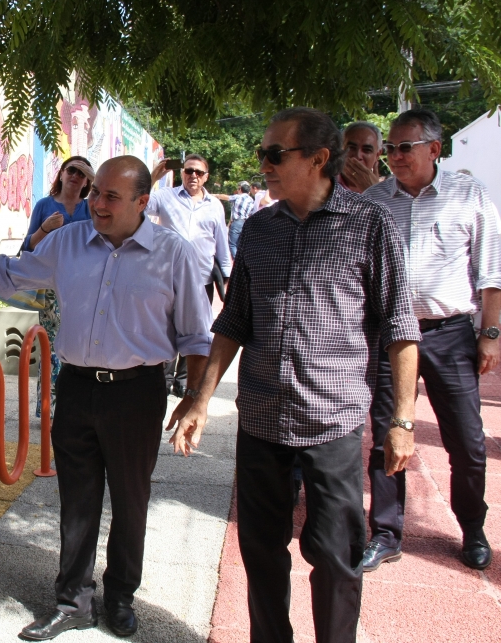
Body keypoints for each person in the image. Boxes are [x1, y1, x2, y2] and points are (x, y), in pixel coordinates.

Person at [0, 156, 213, 640]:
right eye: (95, 192)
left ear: (142, 201)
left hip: (137, 394)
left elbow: (195, 337)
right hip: (75, 388)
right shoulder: (68, 242)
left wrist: (194, 401)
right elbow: (8, 275)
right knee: (77, 498)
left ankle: (119, 596)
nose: (96, 202)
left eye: (110, 197)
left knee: (131, 498)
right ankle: (72, 599)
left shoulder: (173, 254)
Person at [170, 107, 421, 643]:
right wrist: (198, 399)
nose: (262, 163)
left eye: (273, 153)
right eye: (263, 152)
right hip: (260, 420)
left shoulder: (370, 227)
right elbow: (234, 320)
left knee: (335, 558)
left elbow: (401, 327)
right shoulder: (258, 229)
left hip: (332, 423)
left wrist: (402, 419)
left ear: (318, 159)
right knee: (261, 555)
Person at [362, 109, 501, 572]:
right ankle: (385, 532)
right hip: (390, 336)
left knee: (467, 441)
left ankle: (472, 527)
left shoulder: (468, 196)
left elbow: (491, 273)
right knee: (386, 435)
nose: (394, 157)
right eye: (390, 149)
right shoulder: (377, 201)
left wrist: (490, 334)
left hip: (449, 334)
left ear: (434, 149)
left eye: (404, 148)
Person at [146, 154, 231, 397]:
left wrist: (226, 275)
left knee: (196, 330)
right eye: (189, 170)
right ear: (182, 172)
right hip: (166, 276)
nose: (193, 176)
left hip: (201, 279)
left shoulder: (214, 205)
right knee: (165, 327)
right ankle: (165, 375)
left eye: (199, 173)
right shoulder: (164, 197)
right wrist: (153, 178)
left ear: (206, 177)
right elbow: (137, 203)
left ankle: (183, 379)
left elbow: (221, 243)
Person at [22, 156, 94, 420]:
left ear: (88, 181)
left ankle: (77, 406)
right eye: (71, 170)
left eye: (82, 172)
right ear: (61, 174)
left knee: (83, 347)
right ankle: (50, 409)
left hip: (87, 289)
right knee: (52, 350)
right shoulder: (45, 205)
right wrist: (45, 228)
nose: (75, 175)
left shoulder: (91, 208)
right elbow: (27, 248)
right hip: (53, 289)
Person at [338, 121, 383, 193]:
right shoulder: (324, 183)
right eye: (351, 148)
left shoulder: (388, 193)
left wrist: (374, 192)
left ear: (377, 155)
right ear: (341, 149)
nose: (358, 156)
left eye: (367, 150)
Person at [216, 181, 256, 257]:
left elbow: (226, 197)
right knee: (239, 244)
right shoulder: (252, 200)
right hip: (246, 223)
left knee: (232, 244)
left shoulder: (238, 196)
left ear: (240, 189)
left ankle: (236, 262)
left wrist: (215, 195)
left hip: (237, 222)